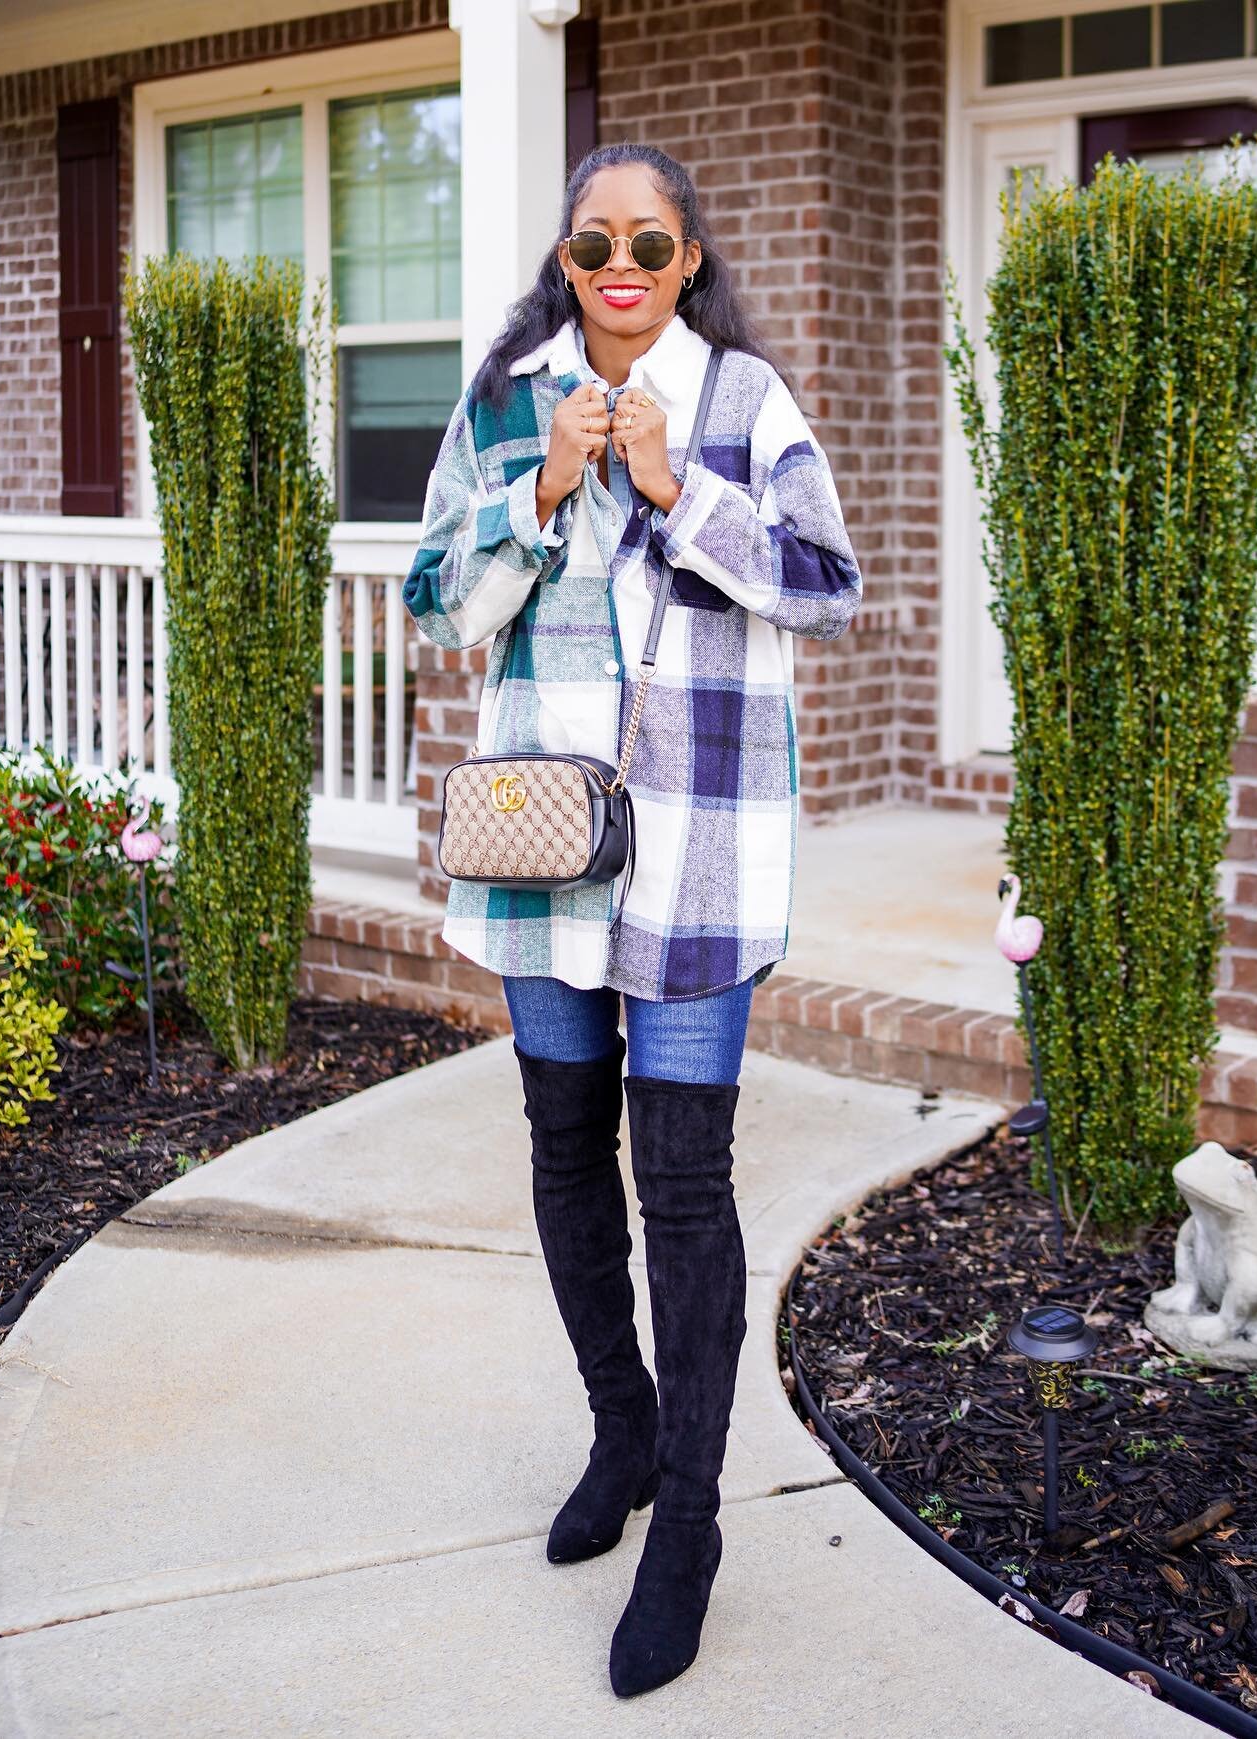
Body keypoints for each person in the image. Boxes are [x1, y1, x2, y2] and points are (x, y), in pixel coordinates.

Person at [403, 141, 862, 1697]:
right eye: (595, 238)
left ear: (684, 261)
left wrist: (676, 485)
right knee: (559, 1147)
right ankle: (624, 1433)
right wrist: (543, 486)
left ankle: (693, 1524)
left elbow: (825, 583)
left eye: (649, 242)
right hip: (541, 839)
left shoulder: (745, 403)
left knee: (681, 1177)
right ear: (567, 253)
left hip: (701, 849)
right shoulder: (503, 398)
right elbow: (437, 603)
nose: (621, 261)